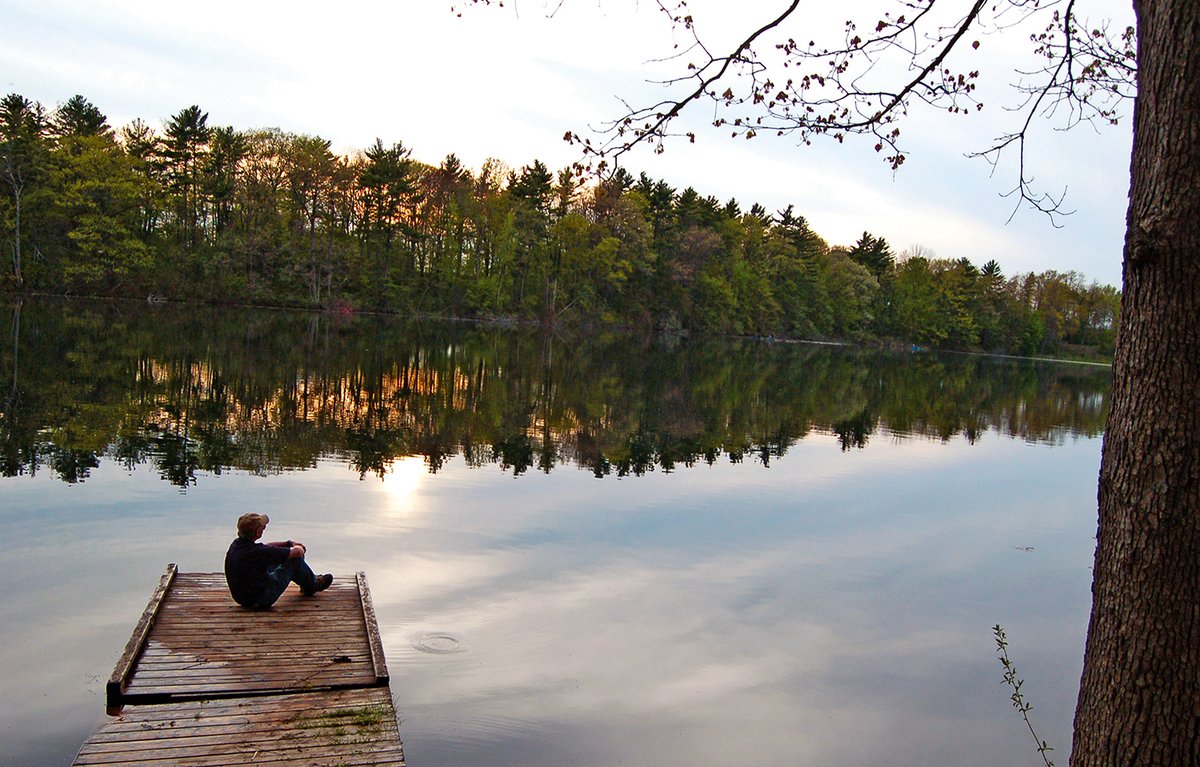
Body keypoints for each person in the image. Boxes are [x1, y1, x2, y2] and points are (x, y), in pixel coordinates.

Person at [224, 512, 333, 608]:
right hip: (261, 599)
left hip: (243, 599)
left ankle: (308, 581)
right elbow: (298, 552)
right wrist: (299, 547)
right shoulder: (257, 552)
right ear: (258, 533)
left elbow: (266, 547)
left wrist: (287, 543)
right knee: (294, 560)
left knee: (279, 557)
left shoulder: (237, 545)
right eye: (262, 527)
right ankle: (311, 585)